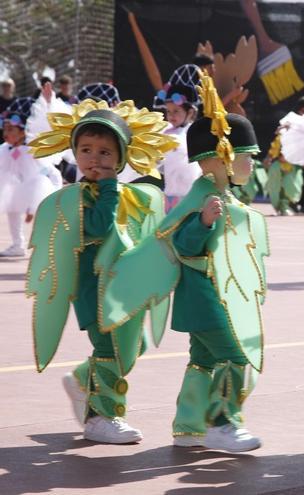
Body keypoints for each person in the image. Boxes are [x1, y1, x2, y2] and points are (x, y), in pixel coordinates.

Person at [99, 71, 267, 453]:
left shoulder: (217, 192)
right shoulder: (205, 196)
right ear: (223, 157)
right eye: (248, 158)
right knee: (235, 355)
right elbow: (178, 240)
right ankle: (222, 423)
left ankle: (189, 426)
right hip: (207, 295)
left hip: (205, 296)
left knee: (203, 360)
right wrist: (204, 223)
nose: (252, 166)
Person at [26, 98, 174, 444]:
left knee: (132, 346)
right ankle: (101, 417)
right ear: (74, 153)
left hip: (123, 288)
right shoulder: (76, 198)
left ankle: (82, 380)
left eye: (105, 152)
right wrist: (108, 189)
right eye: (87, 150)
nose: (95, 158)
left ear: (122, 158)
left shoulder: (130, 195)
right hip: (94, 290)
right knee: (111, 348)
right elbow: (98, 227)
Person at [0, 97, 62, 257]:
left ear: (23, 131)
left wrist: (51, 192)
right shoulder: (5, 150)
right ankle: (17, 244)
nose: (5, 133)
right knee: (12, 207)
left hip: (39, 187)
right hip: (19, 187)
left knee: (45, 217)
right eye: (4, 129)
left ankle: (50, 245)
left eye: (10, 129)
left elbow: (49, 172)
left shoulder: (32, 149)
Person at [156, 79, 202, 210]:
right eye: (168, 111)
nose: (171, 115)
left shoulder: (194, 132)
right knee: (171, 226)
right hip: (171, 193)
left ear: (190, 112)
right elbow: (159, 162)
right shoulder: (166, 132)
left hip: (191, 192)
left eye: (176, 111)